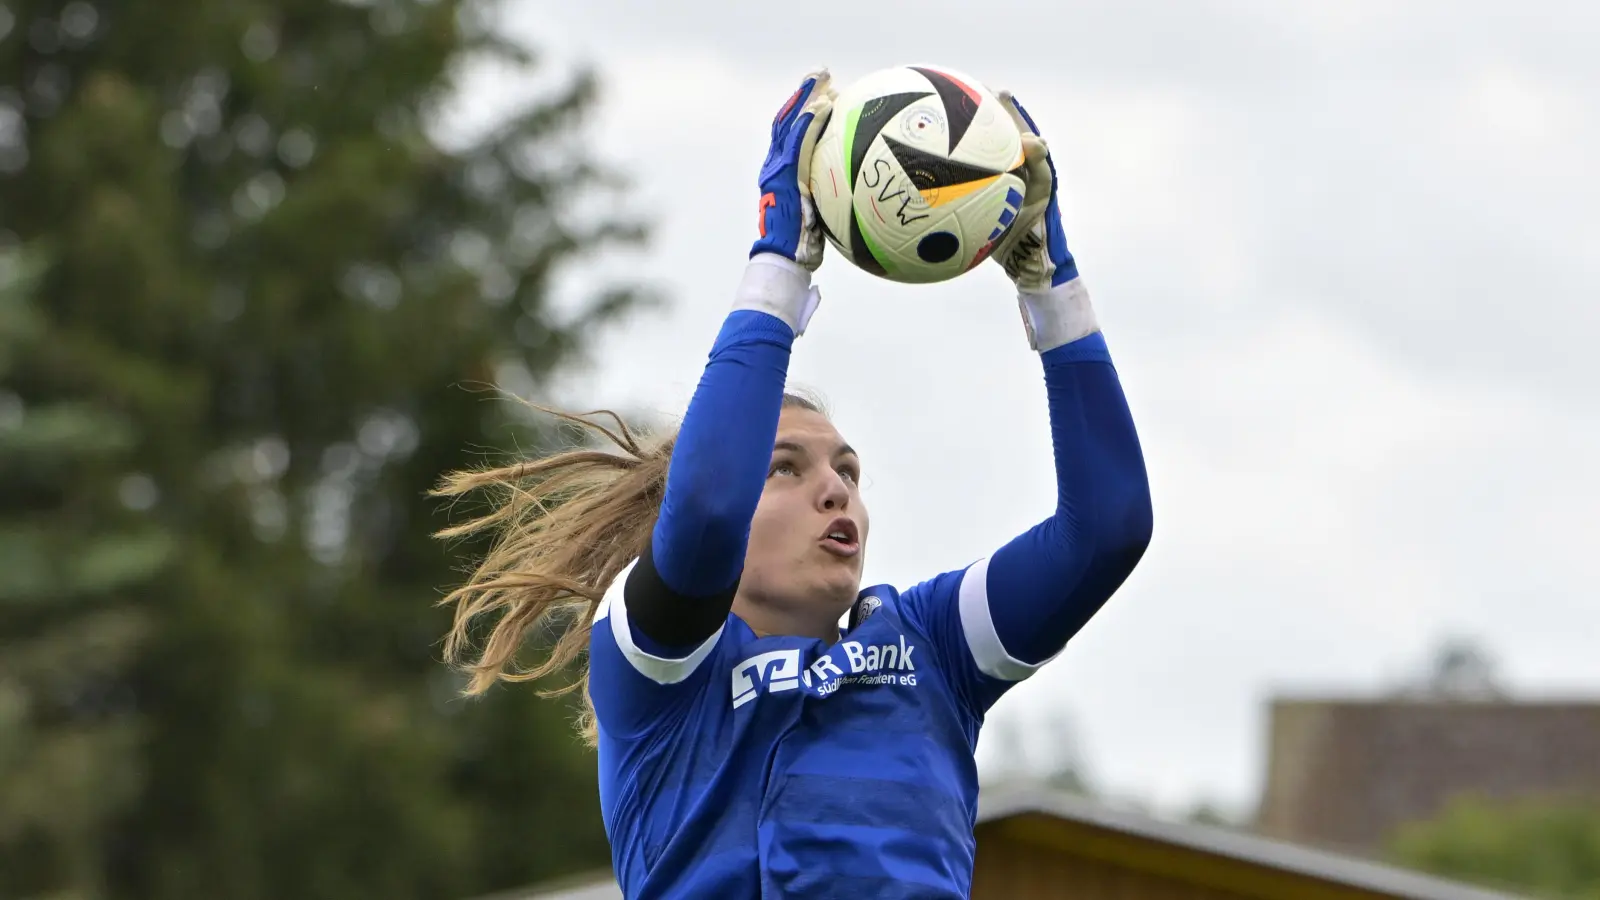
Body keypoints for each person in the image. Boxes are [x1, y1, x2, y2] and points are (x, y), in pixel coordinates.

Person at [434, 69, 1153, 899]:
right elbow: (705, 512)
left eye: (849, 471)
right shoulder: (661, 675)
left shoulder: (929, 651)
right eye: (787, 467)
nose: (837, 490)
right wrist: (780, 261)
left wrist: (1051, 285)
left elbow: (1107, 528)